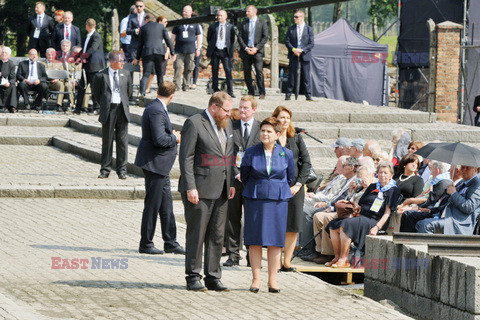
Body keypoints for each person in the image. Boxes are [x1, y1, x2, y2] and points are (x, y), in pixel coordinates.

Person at [179, 91, 236, 292]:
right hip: (199, 189)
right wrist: (190, 186)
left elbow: (229, 155)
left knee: (217, 235)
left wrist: (230, 182)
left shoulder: (226, 126)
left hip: (221, 189)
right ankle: (193, 276)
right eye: (227, 111)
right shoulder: (195, 123)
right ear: (214, 108)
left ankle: (213, 276)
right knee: (197, 234)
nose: (230, 114)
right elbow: (186, 158)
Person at [241, 117, 295, 293]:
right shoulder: (251, 152)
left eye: (269, 131)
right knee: (255, 239)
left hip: (278, 201)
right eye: (262, 130)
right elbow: (245, 175)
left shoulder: (286, 153)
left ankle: (273, 280)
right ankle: (256, 279)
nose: (264, 134)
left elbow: (290, 177)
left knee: (275, 241)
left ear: (277, 135)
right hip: (256, 198)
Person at [135, 81, 185, 255]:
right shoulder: (156, 109)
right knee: (153, 205)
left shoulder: (157, 107)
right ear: (172, 96)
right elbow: (160, 139)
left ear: (158, 90)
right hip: (154, 164)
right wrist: (175, 138)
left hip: (160, 166)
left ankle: (170, 241)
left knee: (166, 206)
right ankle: (146, 243)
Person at [326, 161, 400, 268]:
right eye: (380, 172)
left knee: (346, 225)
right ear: (377, 174)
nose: (382, 175)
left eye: (385, 173)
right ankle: (337, 257)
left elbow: (387, 213)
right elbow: (360, 204)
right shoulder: (373, 186)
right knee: (334, 224)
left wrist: (376, 227)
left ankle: (344, 259)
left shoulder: (393, 190)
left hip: (375, 220)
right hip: (361, 216)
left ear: (391, 175)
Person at [272, 106, 311, 271]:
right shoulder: (270, 138)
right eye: (282, 117)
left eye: (288, 117)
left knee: (292, 226)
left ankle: (287, 262)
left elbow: (306, 163)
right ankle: (275, 260)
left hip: (295, 187)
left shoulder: (296, 138)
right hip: (275, 186)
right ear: (276, 119)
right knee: (276, 225)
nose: (285, 120)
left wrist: (298, 184)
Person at [311, 164, 375, 265]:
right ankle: (320, 251)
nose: (361, 179)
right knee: (318, 216)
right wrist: (350, 191)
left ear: (371, 175)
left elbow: (364, 203)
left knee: (328, 218)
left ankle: (329, 253)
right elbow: (349, 201)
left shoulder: (373, 186)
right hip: (347, 211)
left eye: (363, 176)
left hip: (355, 213)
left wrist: (367, 187)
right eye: (359, 176)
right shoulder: (359, 187)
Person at [224, 95, 261, 267]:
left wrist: (249, 173)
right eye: (240, 107)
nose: (242, 111)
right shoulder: (232, 126)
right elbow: (228, 153)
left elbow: (263, 155)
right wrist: (236, 172)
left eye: (246, 108)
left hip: (253, 181)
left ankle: (251, 256)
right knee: (233, 217)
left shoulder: (261, 129)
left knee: (252, 219)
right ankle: (233, 254)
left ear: (254, 109)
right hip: (235, 180)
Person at [92, 51, 132, 180]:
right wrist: (105, 105)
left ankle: (122, 170)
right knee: (107, 141)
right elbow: (97, 94)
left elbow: (129, 92)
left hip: (122, 109)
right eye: (121, 60)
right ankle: (105, 169)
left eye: (123, 60)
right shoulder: (100, 75)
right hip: (109, 110)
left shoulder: (126, 74)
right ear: (112, 61)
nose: (123, 63)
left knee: (122, 142)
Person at [416, 165, 480, 235]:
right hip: (444, 216)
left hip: (458, 223)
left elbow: (469, 207)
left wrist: (454, 193)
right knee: (410, 216)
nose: (464, 170)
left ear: (475, 169)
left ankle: (431, 246)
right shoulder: (462, 184)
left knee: (424, 225)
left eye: (467, 168)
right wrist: (431, 210)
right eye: (462, 167)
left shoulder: (477, 185)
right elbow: (448, 204)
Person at [400, 160, 451, 232]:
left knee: (409, 214)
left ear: (437, 170)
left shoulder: (442, 182)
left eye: (432, 170)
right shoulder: (438, 180)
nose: (431, 172)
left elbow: (431, 200)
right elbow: (425, 195)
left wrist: (418, 207)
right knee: (407, 213)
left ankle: (408, 240)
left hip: (435, 212)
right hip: (431, 209)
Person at [133, 13, 174, 96]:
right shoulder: (161, 27)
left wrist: (137, 57)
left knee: (146, 74)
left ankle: (142, 93)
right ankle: (162, 94)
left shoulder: (143, 28)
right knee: (160, 74)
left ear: (146, 20)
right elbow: (168, 40)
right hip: (159, 52)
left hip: (147, 53)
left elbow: (140, 44)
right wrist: (173, 52)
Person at [74, 18, 105, 115]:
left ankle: (97, 108)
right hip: (86, 65)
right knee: (82, 86)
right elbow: (85, 48)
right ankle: (78, 108)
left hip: (94, 66)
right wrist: (77, 57)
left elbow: (93, 49)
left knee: (94, 87)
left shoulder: (96, 36)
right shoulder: (88, 36)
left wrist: (82, 57)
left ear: (87, 26)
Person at [238, 5, 268, 99]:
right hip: (246, 51)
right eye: (246, 11)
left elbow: (265, 37)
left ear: (254, 12)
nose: (246, 13)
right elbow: (240, 37)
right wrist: (246, 48)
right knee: (247, 72)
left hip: (257, 51)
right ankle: (250, 91)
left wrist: (256, 48)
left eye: (248, 11)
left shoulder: (262, 23)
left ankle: (262, 92)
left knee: (259, 71)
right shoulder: (244, 23)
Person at [284, 10, 314, 101]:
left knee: (306, 76)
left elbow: (311, 43)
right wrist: (293, 49)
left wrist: (302, 50)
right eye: (294, 16)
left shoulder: (309, 29)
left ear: (302, 18)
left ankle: (308, 96)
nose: (294, 18)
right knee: (291, 75)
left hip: (304, 55)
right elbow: (287, 41)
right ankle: (288, 95)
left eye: (296, 17)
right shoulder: (291, 29)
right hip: (294, 55)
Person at [171, 5, 202, 91]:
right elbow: (173, 36)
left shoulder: (195, 23)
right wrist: (170, 48)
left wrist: (198, 48)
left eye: (186, 11)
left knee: (189, 68)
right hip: (179, 50)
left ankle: (186, 85)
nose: (184, 13)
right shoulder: (178, 22)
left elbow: (198, 36)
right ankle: (176, 85)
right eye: (183, 11)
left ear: (191, 12)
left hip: (191, 50)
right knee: (177, 67)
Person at [206, 9, 236, 98]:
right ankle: (215, 89)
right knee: (214, 70)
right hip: (215, 50)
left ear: (226, 17)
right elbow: (209, 38)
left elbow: (232, 39)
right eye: (218, 15)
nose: (219, 17)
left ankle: (230, 91)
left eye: (221, 15)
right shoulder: (213, 26)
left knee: (228, 71)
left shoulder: (230, 27)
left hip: (225, 51)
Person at [0, 47, 18, 113]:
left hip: (6, 82)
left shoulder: (11, 64)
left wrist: (9, 82)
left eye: (6, 53)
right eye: (2, 52)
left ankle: (12, 106)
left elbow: (13, 77)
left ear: (9, 55)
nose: (4, 54)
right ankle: (1, 106)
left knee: (13, 86)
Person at [191, 11, 202, 90]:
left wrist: (198, 48)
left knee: (196, 66)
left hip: (196, 47)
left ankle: (194, 82)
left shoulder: (198, 26)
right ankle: (188, 81)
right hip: (190, 47)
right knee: (189, 66)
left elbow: (200, 38)